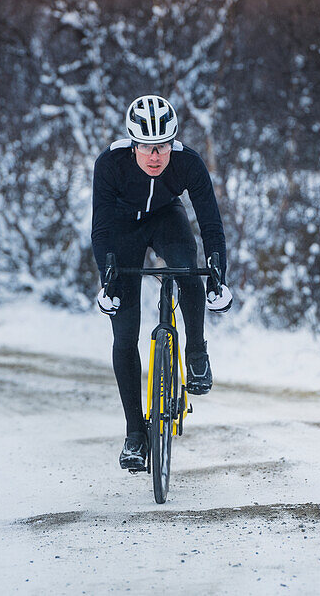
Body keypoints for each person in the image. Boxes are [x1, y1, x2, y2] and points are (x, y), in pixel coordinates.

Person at [91, 95, 233, 471]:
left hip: (167, 218)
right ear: (133, 144)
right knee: (124, 331)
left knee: (188, 270)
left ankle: (196, 351)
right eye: (147, 148)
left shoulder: (189, 164)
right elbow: (101, 229)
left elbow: (211, 223)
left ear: (173, 142)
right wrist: (107, 283)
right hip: (123, 226)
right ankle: (135, 435)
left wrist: (218, 276)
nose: (155, 156)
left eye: (163, 147)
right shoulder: (110, 164)